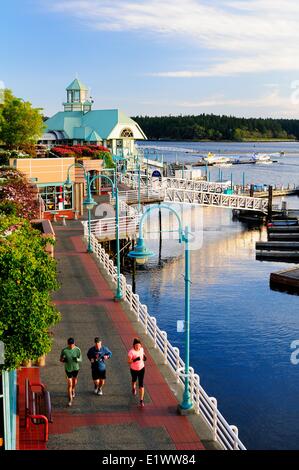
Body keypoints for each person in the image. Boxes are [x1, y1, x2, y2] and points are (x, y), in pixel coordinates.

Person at [60, 337, 82, 407]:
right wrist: (63, 360)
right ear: (68, 344)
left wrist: (77, 359)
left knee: (74, 381)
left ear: (74, 343)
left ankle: (73, 389)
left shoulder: (78, 350)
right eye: (70, 344)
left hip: (76, 368)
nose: (71, 346)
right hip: (68, 369)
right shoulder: (64, 350)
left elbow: (80, 359)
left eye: (72, 344)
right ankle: (70, 400)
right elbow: (60, 359)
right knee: (69, 384)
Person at [128, 338, 146, 407]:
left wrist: (144, 357)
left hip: (142, 368)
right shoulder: (131, 352)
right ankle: (133, 388)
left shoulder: (141, 349)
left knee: (141, 384)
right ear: (133, 345)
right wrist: (135, 359)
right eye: (136, 345)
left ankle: (141, 400)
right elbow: (129, 361)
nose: (138, 347)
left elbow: (143, 354)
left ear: (140, 345)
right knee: (134, 380)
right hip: (134, 369)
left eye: (139, 345)